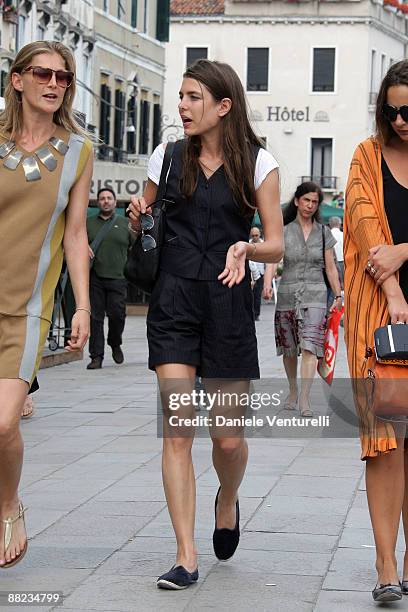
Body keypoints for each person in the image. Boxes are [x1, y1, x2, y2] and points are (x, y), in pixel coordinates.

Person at [128, 59, 283, 590]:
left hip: (228, 302)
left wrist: (248, 245)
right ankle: (185, 555)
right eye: (182, 97)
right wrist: (138, 213)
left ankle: (229, 497)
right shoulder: (166, 158)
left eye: (194, 98)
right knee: (177, 432)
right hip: (173, 302)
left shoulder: (259, 164)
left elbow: (276, 243)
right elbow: (144, 211)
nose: (183, 106)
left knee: (227, 441)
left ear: (224, 106)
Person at [0, 41, 92, 568]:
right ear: (17, 80)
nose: (54, 84)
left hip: (30, 307)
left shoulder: (77, 152)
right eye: (43, 74)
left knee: (5, 423)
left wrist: (81, 307)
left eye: (63, 77)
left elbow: (75, 235)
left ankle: (9, 501)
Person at [344, 60, 408, 603]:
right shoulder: (366, 155)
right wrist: (392, 289)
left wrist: (405, 251)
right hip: (378, 320)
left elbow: (390, 248)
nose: (402, 119)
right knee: (385, 443)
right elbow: (365, 229)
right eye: (392, 109)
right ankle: (386, 565)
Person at [265, 182, 341, 417]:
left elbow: (330, 267)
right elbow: (272, 259)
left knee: (310, 347)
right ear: (297, 201)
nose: (310, 205)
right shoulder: (284, 230)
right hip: (287, 293)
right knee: (289, 349)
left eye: (314, 202)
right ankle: (292, 390)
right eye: (306, 200)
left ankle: (305, 398)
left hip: (316, 295)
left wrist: (338, 294)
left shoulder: (324, 232)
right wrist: (267, 283)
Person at [87, 187, 133, 369]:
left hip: (118, 277)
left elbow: (137, 247)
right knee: (95, 318)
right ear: (98, 202)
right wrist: (84, 245)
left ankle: (115, 342)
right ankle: (96, 356)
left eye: (109, 198)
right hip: (94, 277)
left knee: (117, 315)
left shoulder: (125, 223)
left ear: (114, 202)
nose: (106, 201)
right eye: (102, 198)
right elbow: (75, 241)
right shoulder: (88, 223)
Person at [249, 226, 265, 320]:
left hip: (261, 273)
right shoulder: (248, 244)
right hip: (251, 273)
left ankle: (256, 314)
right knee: (250, 295)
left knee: (257, 295)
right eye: (253, 235)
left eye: (256, 235)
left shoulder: (264, 244)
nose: (255, 237)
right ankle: (251, 313)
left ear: (259, 235)